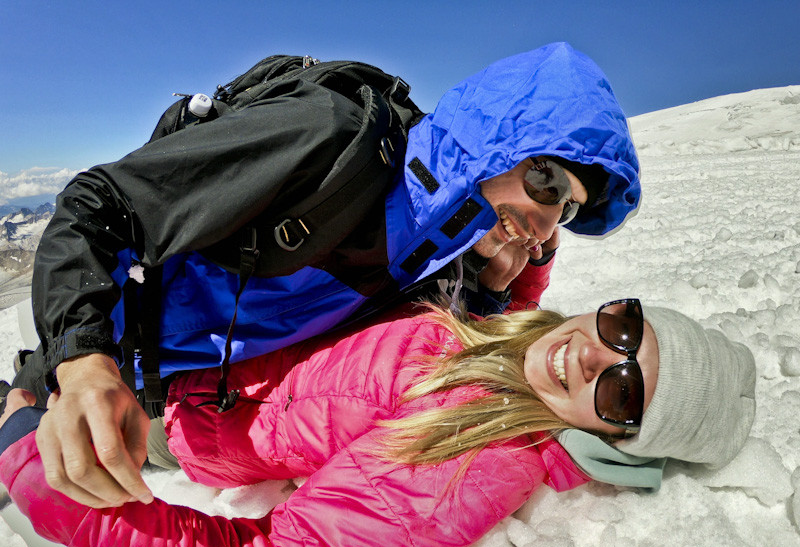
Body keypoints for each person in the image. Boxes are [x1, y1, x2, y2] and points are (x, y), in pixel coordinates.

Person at [11, 42, 641, 508]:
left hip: (175, 401)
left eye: (568, 206)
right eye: (546, 180)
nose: (547, 215)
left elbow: (449, 359)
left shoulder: (444, 246)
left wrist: (505, 283)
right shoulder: (328, 141)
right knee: (22, 448)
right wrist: (80, 361)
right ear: (493, 142)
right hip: (102, 363)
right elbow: (101, 205)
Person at [0, 298, 756, 547]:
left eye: (623, 392)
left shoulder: (472, 461)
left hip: (168, 429)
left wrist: (25, 461)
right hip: (179, 358)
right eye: (622, 328)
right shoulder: (501, 340)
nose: (597, 355)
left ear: (613, 442)